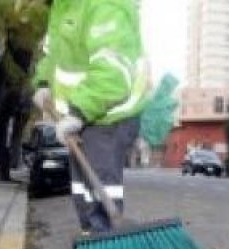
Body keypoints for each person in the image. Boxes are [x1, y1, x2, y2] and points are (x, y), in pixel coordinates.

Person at [32, 0, 149, 233]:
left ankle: (107, 243)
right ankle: (93, 242)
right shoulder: (63, 6)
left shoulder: (105, 7)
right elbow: (52, 53)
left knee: (102, 184)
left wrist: (78, 113)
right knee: (82, 187)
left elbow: (112, 73)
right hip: (81, 114)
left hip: (110, 113)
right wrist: (43, 82)